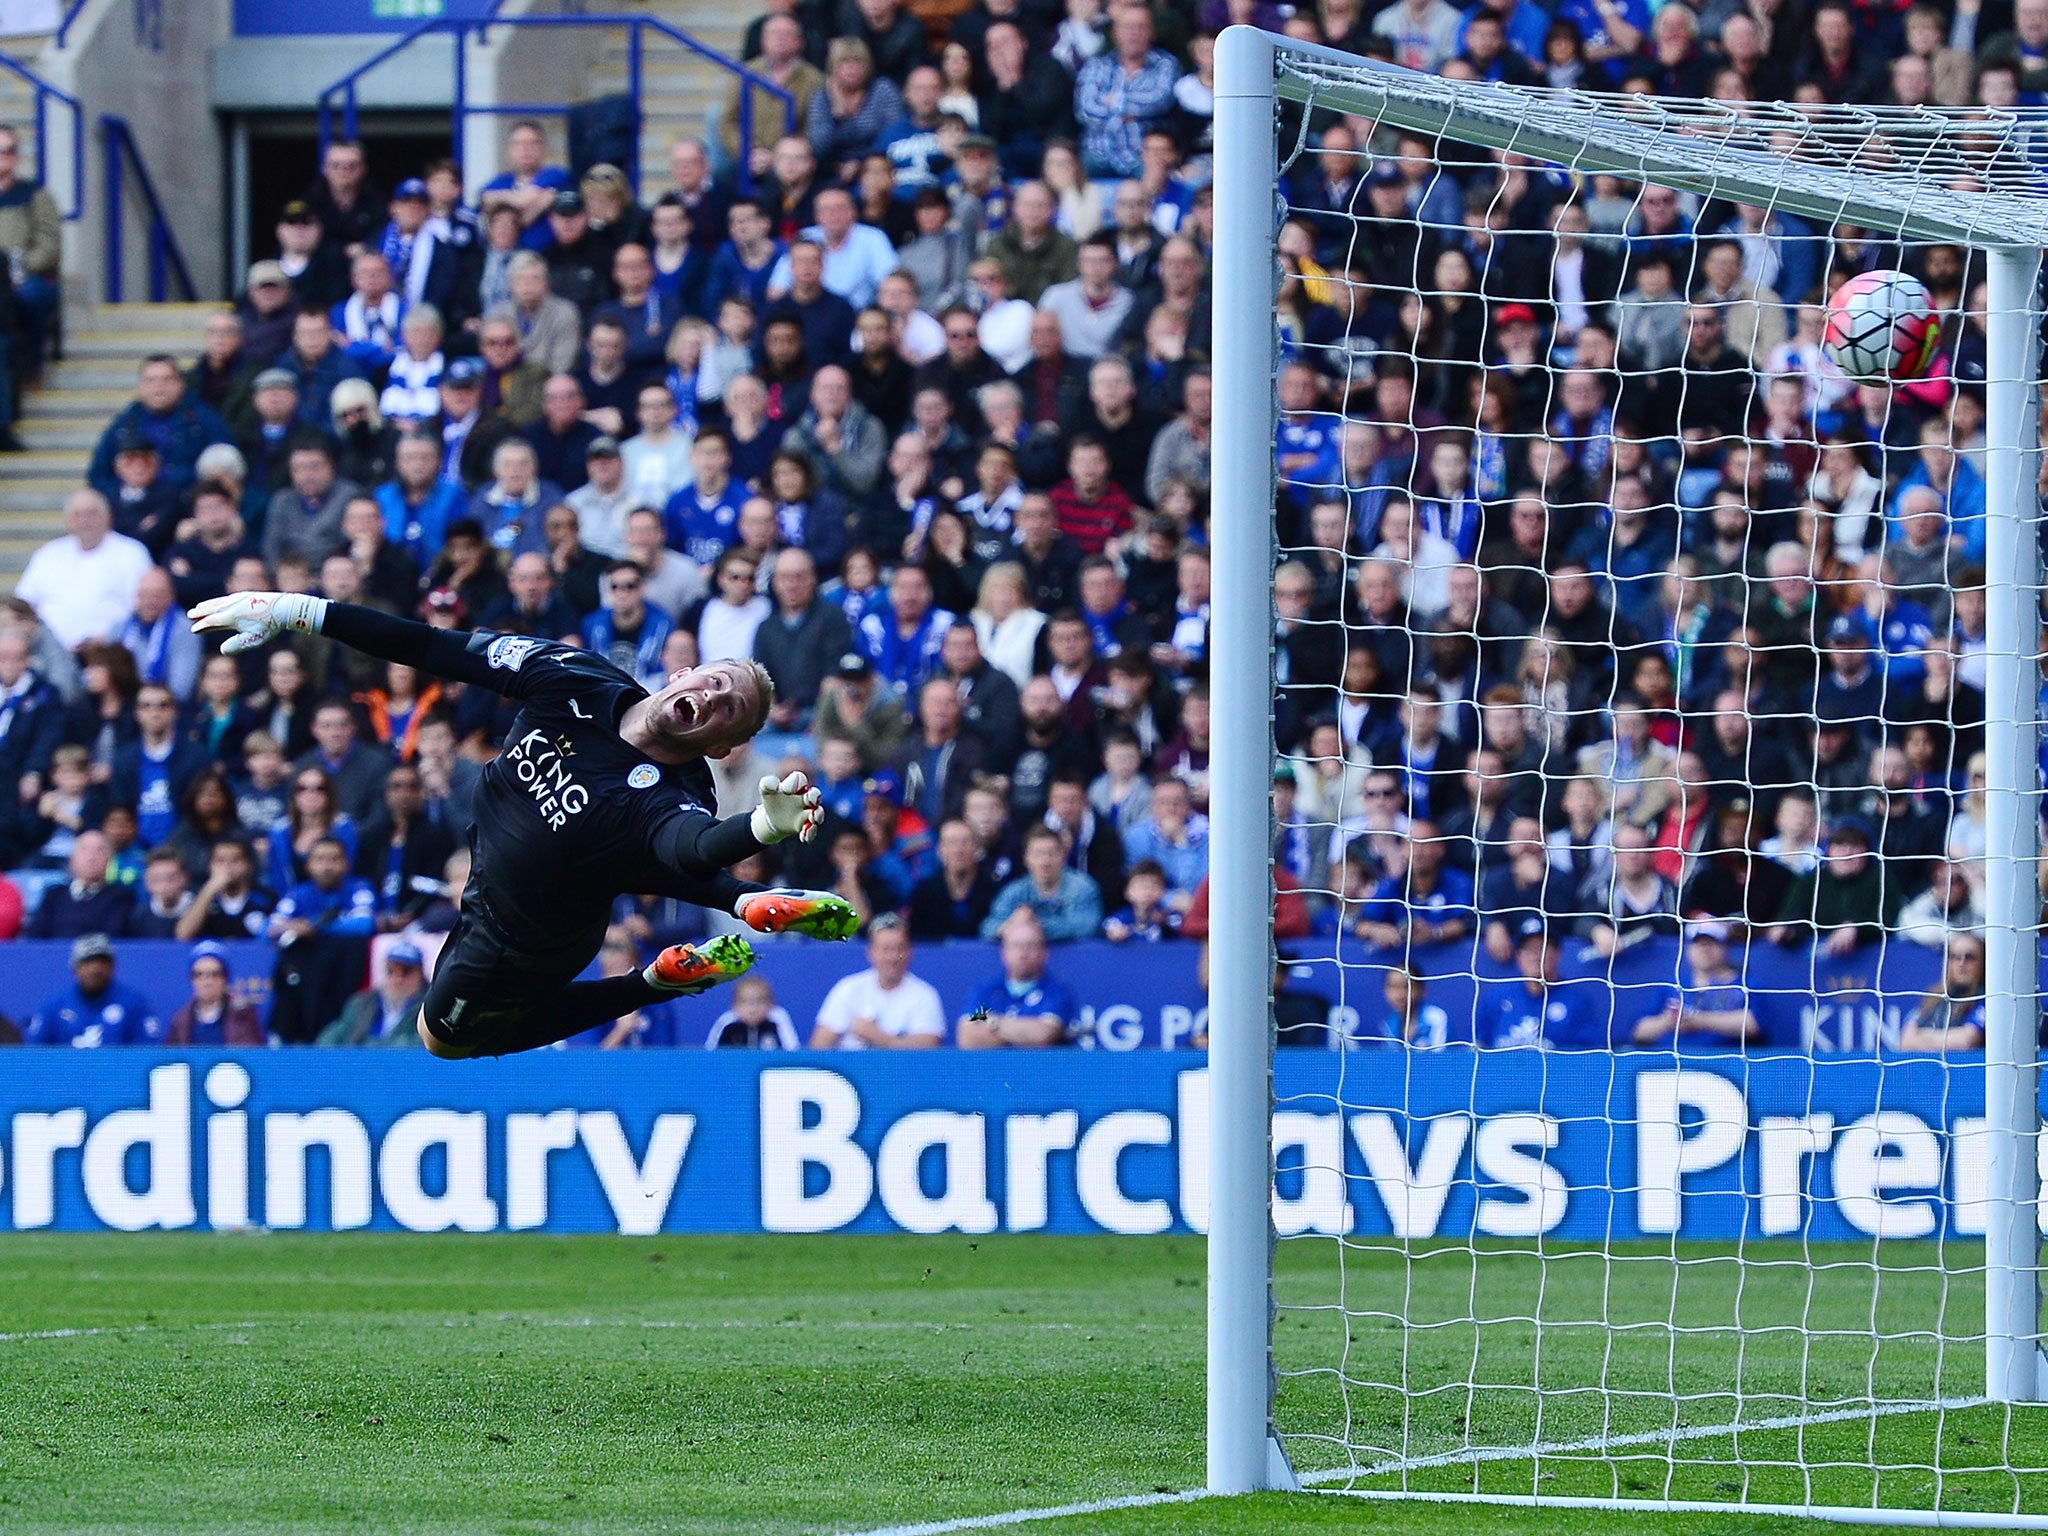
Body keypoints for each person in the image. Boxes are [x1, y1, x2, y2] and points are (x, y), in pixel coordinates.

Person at [191, 587, 862, 1058]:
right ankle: (735, 911)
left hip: (530, 936)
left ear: (721, 746)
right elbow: (432, 647)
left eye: (730, 708)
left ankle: (651, 980)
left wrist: (758, 831)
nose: (713, 697)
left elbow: (692, 846)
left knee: (444, 1040)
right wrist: (297, 609)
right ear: (681, 671)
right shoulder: (570, 672)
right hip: (486, 875)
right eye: (715, 681)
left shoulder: (672, 796)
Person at [15, 489, 155, 650]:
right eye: (77, 515)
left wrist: (106, 637)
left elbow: (144, 608)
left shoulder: (132, 553)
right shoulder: (48, 554)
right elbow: (22, 604)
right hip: (51, 654)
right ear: (68, 520)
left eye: (91, 514)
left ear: (107, 516)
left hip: (110, 652)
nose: (84, 521)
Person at [807, 913, 946, 1049]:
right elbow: (819, 1046)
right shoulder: (849, 988)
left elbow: (928, 1049)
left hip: (903, 1071)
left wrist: (877, 1036)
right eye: (886, 949)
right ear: (871, 952)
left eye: (900, 949)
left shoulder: (925, 995)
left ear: (910, 952)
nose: (893, 957)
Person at [1630, 920, 1761, 1048]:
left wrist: (1699, 1020)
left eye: (1711, 943)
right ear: (1688, 949)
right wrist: (1668, 1020)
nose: (1705, 949)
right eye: (1698, 943)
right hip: (1670, 1062)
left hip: (1727, 1062)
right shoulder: (1673, 984)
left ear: (1726, 947)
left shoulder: (1745, 983)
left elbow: (1754, 1024)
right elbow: (1639, 1032)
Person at [958, 910, 1077, 1048]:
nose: (1023, 953)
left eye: (1030, 946)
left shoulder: (1057, 991)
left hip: (1041, 1067)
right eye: (1016, 945)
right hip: (990, 1067)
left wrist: (993, 1022)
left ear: (1044, 953)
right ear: (1004, 953)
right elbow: (967, 1035)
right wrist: (1021, 1033)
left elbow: (1043, 1035)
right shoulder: (986, 990)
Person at [23, 933, 163, 1047]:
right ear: (74, 967)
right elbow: (35, 1053)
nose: (95, 969)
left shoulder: (134, 1004)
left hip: (117, 1078)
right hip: (67, 1078)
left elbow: (147, 1051)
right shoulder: (54, 1007)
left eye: (103, 961)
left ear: (113, 966)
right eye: (87, 962)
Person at [980, 822, 1104, 941]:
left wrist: (1033, 926)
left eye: (1051, 853)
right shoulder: (1015, 890)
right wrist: (1007, 927)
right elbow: (987, 927)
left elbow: (1086, 926)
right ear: (1026, 858)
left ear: (1063, 856)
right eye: (1038, 854)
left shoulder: (1082, 887)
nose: (1045, 861)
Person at [318, 941, 430, 1047]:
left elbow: (420, 1042)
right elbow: (333, 1035)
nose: (397, 979)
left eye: (406, 972)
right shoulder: (361, 1003)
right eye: (391, 971)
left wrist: (374, 1046)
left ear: (420, 975)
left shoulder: (429, 1007)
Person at [26, 830, 134, 938]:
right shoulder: (53, 895)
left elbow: (112, 935)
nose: (92, 857)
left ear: (110, 860)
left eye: (100, 850)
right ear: (72, 858)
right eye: (84, 849)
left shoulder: (120, 897)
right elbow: (35, 936)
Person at [164, 940, 267, 1047]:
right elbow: (169, 1058)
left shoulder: (242, 1016)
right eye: (199, 975)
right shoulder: (181, 1020)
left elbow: (253, 1057)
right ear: (192, 980)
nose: (207, 982)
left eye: (214, 974)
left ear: (225, 979)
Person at [1898, 931, 1989, 1052]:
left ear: (1982, 962)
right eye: (1955, 957)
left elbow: (1967, 1041)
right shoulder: (1933, 997)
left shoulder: (1987, 998)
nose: (1961, 963)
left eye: (1969, 957)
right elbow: (1906, 1041)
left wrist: (1925, 1037)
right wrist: (1947, 1039)